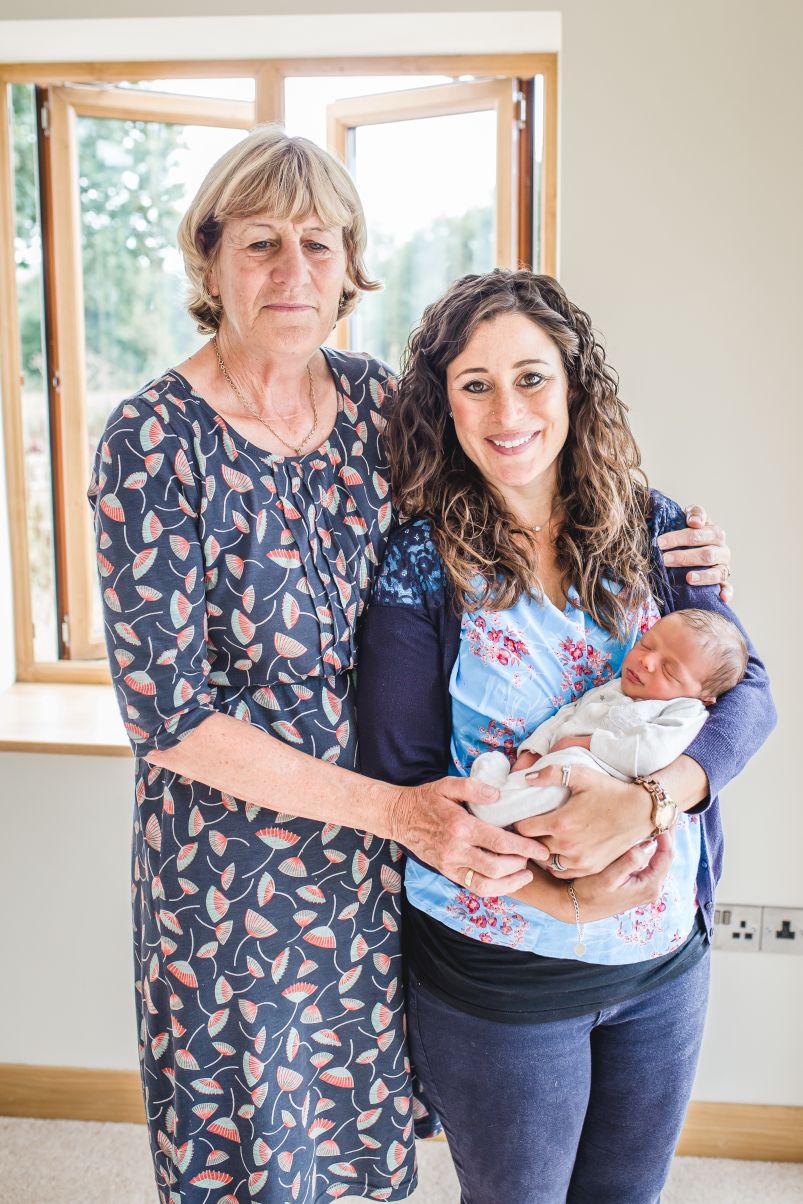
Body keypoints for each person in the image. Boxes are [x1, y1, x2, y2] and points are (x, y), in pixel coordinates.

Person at [88, 126, 736, 1204]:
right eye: (260, 243)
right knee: (256, 1155)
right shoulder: (151, 441)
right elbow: (169, 718)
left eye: (319, 242)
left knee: (366, 1151)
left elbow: (524, 464)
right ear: (209, 258)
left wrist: (693, 562)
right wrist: (400, 814)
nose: (293, 271)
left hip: (390, 862)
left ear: (351, 264)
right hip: (239, 862)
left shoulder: (378, 407)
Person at [356, 269, 775, 1204]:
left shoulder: (654, 527)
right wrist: (565, 896)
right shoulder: (421, 564)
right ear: (445, 404)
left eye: (531, 378)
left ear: (574, 386)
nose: (507, 412)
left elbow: (747, 694)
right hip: (501, 973)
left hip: (663, 964)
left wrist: (647, 802)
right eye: (475, 384)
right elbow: (407, 787)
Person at [468, 608, 748, 830]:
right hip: (553, 764)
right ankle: (501, 797)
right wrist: (533, 751)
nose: (647, 661)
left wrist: (587, 744)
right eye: (646, 644)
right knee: (528, 786)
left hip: (593, 783)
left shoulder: (685, 711)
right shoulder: (615, 688)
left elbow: (650, 753)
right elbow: (567, 715)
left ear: (704, 696)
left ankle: (490, 807)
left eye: (669, 671)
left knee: (544, 787)